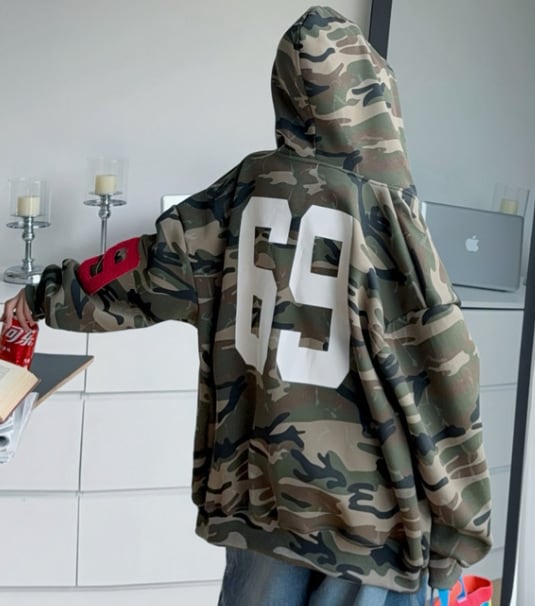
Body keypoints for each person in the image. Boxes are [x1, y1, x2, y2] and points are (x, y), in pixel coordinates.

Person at [2, 6, 491, 605]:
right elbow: (449, 372)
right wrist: (459, 527)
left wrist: (41, 296)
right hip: (373, 523)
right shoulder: (391, 213)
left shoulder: (236, 196)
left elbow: (136, 272)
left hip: (262, 500)